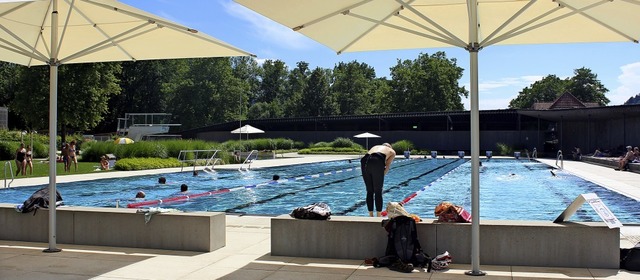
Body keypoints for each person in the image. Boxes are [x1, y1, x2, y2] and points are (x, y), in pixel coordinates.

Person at [360, 143, 396, 217]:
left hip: (364, 160)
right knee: (378, 191)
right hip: (377, 160)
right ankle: (378, 216)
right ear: (389, 147)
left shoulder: (375, 146)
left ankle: (370, 215)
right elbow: (387, 167)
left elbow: (369, 156)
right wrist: (380, 176)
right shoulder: (392, 151)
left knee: (369, 191)